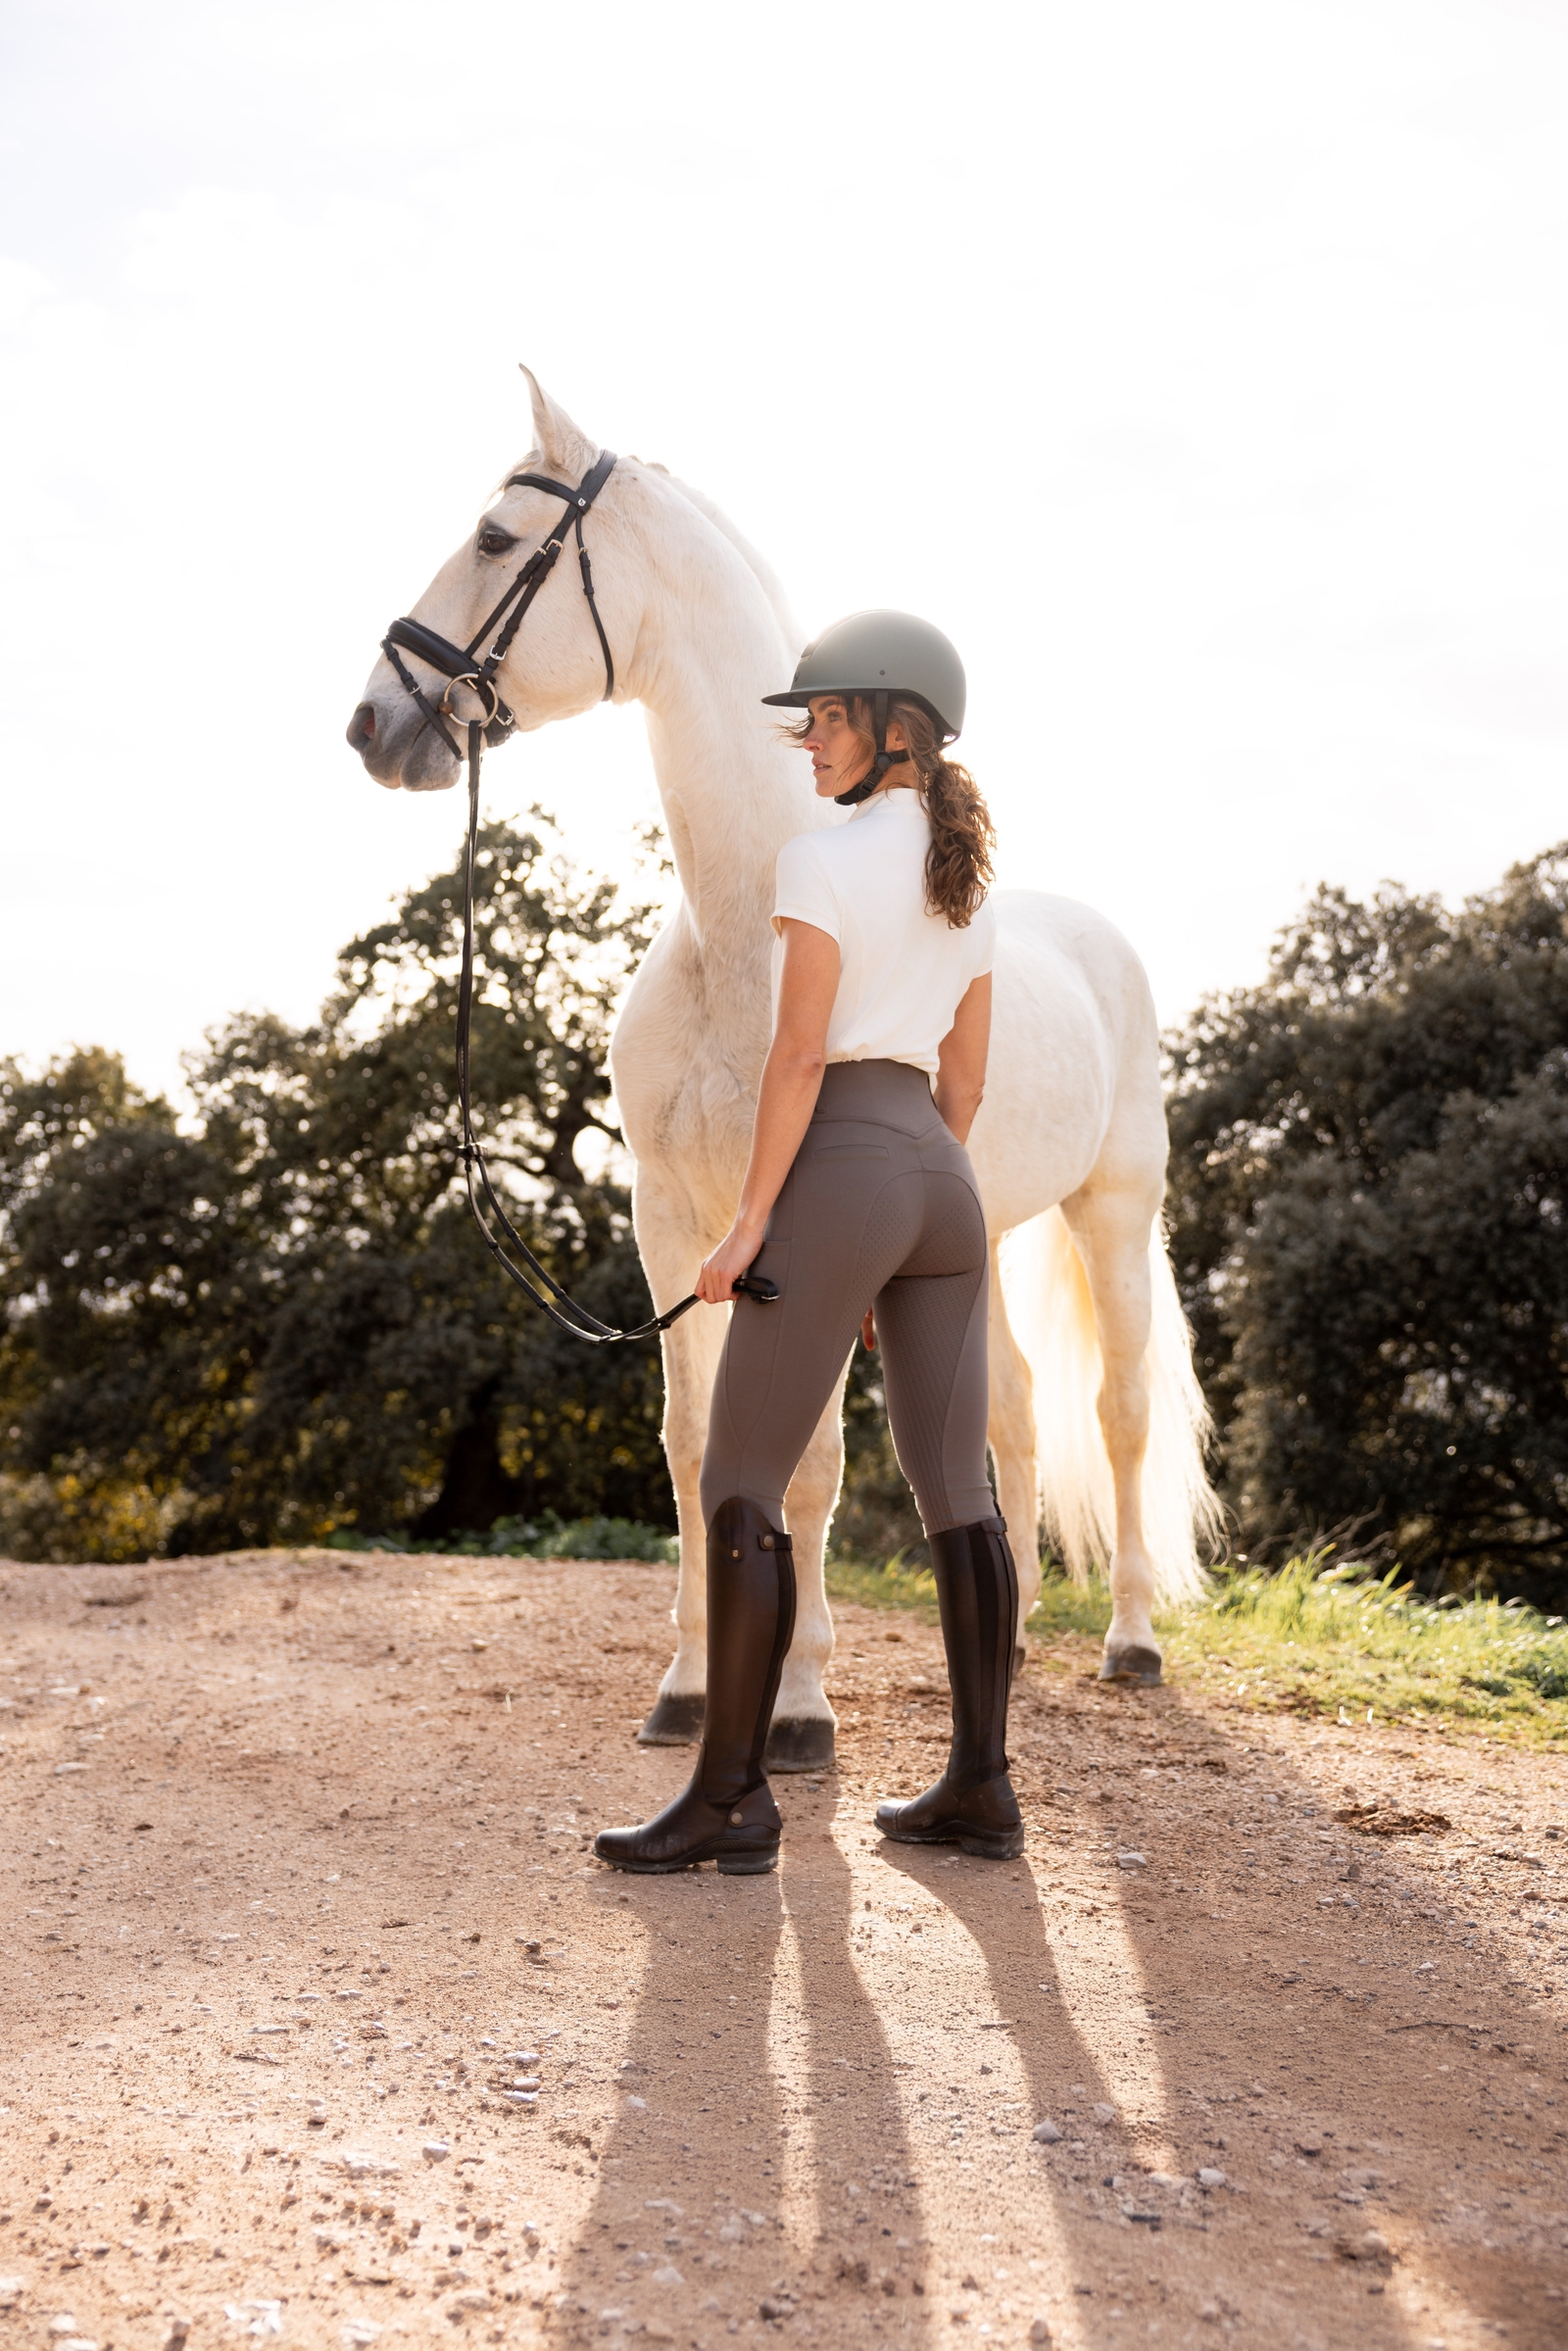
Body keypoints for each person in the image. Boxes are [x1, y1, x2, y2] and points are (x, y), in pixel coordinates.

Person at [594, 612, 1024, 1876]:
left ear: (899, 730)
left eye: (830, 718)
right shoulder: (971, 888)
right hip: (941, 1184)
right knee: (961, 1491)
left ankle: (730, 1798)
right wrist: (910, 1216)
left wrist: (749, 1225)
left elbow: (794, 1060)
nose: (811, 742)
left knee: (740, 1482)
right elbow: (968, 1083)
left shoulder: (819, 864)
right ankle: (980, 1789)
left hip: (840, 1162)